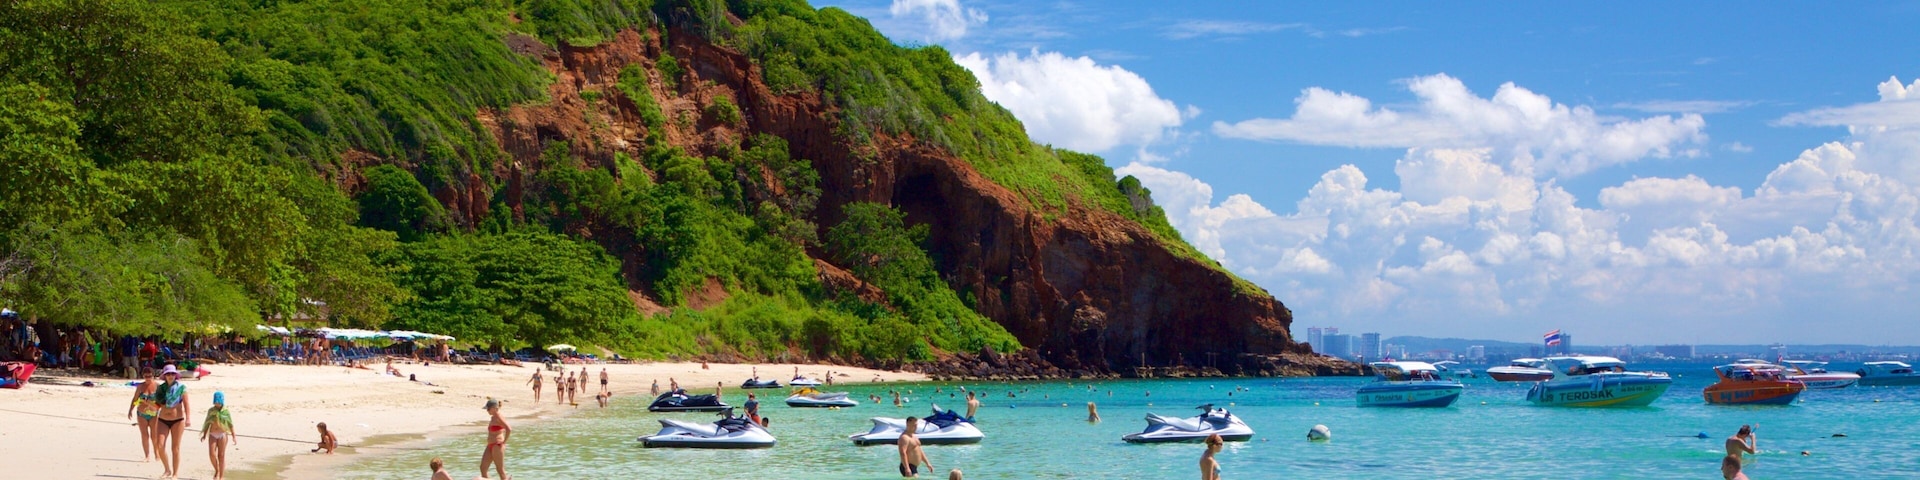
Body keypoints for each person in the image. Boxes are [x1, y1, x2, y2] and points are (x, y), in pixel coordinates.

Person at [154, 364, 190, 479]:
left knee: (175, 448)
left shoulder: (181, 388)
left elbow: (186, 404)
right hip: (163, 419)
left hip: (177, 420)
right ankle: (167, 469)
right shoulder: (160, 388)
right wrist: (149, 407)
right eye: (168, 374)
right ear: (165, 376)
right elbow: (158, 404)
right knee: (159, 445)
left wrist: (188, 418)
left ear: (175, 375)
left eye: (172, 374)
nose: (170, 376)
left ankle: (175, 473)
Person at [127, 367, 160, 462]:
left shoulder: (158, 386)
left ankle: (157, 454)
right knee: (144, 435)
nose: (148, 378)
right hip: (141, 413)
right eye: (146, 376)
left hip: (154, 413)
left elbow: (162, 401)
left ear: (153, 376)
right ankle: (147, 456)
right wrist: (130, 409)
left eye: (150, 376)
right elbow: (135, 399)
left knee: (154, 435)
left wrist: (151, 404)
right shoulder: (140, 387)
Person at [201, 391, 235, 480]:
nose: (217, 404)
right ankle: (217, 470)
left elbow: (230, 424)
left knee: (221, 455)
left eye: (218, 402)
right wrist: (204, 434)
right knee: (212, 454)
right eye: (215, 402)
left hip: (222, 434)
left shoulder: (226, 411)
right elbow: (207, 423)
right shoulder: (211, 411)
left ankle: (221, 476)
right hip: (213, 434)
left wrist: (234, 436)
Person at [480, 398, 511, 479]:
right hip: (490, 445)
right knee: (483, 468)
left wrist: (504, 442)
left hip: (497, 445)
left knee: (500, 470)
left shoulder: (499, 417)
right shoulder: (493, 417)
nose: (487, 411)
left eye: (488, 409)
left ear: (494, 408)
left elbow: (509, 429)